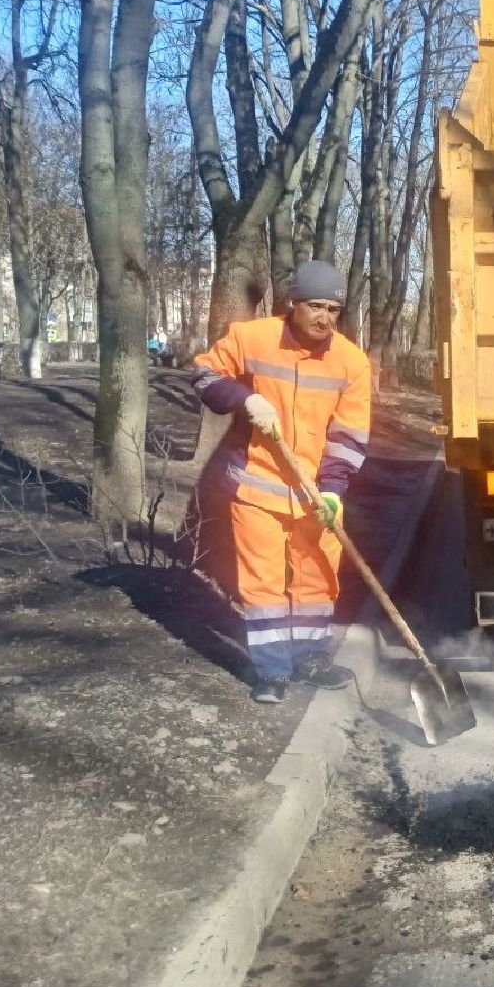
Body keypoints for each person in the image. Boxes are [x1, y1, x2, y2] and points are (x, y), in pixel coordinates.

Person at [189, 261, 371, 704]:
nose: (324, 317)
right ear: (293, 304)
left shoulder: (351, 361)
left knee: (317, 582)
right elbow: (204, 375)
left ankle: (310, 660)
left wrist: (332, 489)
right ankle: (272, 672)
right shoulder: (252, 339)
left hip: (317, 494)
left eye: (333, 308)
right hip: (257, 489)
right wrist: (246, 396)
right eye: (315, 306)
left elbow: (349, 434)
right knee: (264, 585)